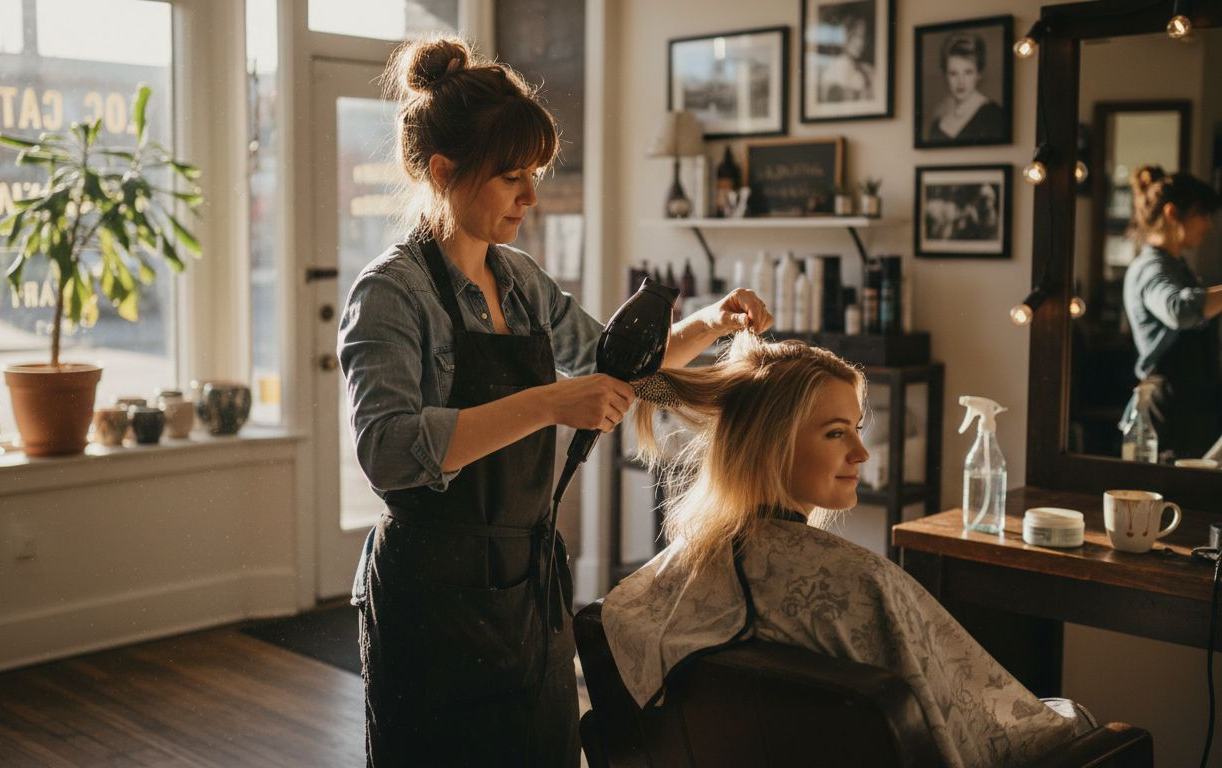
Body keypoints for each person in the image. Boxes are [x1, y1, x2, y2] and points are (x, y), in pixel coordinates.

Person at [339, 36, 772, 767]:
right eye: (511, 177)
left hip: (527, 591)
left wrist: (711, 323)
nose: (532, 198)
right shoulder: (391, 294)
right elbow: (388, 451)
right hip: (431, 600)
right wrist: (546, 404)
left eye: (534, 175)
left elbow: (611, 366)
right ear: (444, 172)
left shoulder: (521, 281)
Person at [602, 333, 1088, 767]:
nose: (861, 453)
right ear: (772, 444)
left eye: (857, 428)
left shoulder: (669, 578)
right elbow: (979, 734)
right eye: (836, 432)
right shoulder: (867, 584)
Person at [1122, 165, 1222, 459]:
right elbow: (1178, 310)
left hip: (1191, 406)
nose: (1209, 224)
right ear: (1172, 213)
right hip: (1169, 414)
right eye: (1202, 214)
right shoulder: (1151, 268)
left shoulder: (1176, 267)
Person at [927, 32, 1004, 144]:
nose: (960, 82)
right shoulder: (938, 122)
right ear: (945, 75)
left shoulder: (994, 115)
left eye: (968, 72)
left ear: (979, 74)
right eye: (953, 73)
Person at [817, 10, 875, 103]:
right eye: (856, 36)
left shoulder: (866, 69)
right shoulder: (834, 68)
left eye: (863, 37)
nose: (861, 43)